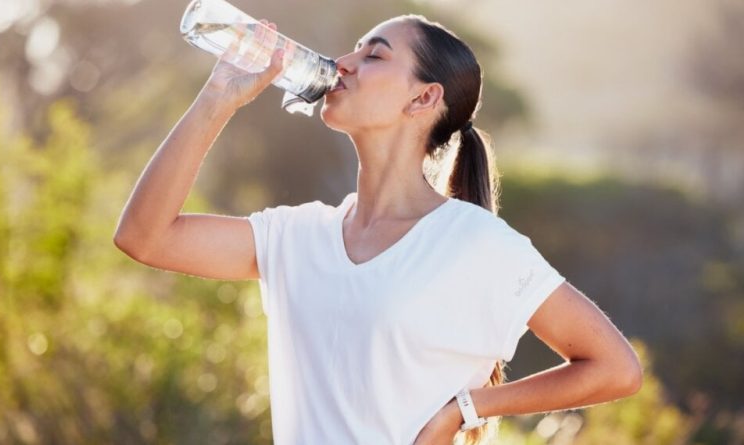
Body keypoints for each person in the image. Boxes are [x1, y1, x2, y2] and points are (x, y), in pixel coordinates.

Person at [114, 13, 643, 445]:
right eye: (354, 50)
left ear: (423, 99)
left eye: (375, 56)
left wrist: (468, 408)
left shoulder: (474, 243)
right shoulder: (296, 236)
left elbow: (615, 368)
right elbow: (145, 237)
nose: (343, 64)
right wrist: (217, 97)